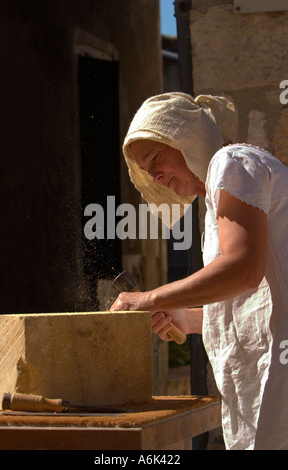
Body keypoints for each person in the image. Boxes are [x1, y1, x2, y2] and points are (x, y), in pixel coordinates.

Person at [110, 92, 288, 450]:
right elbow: (249, 303)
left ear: (185, 137)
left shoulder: (231, 162)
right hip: (264, 385)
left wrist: (148, 298)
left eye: (156, 157)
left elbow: (241, 271)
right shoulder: (215, 205)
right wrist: (189, 319)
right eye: (147, 170)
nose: (156, 174)